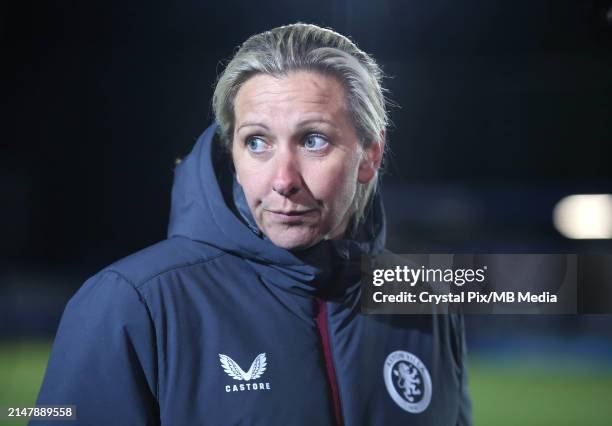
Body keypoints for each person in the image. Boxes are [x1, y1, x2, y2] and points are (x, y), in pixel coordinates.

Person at [34, 23, 471, 425]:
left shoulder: (424, 300)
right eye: (256, 142)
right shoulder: (132, 302)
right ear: (233, 155)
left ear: (369, 156)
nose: (282, 180)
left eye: (313, 140)